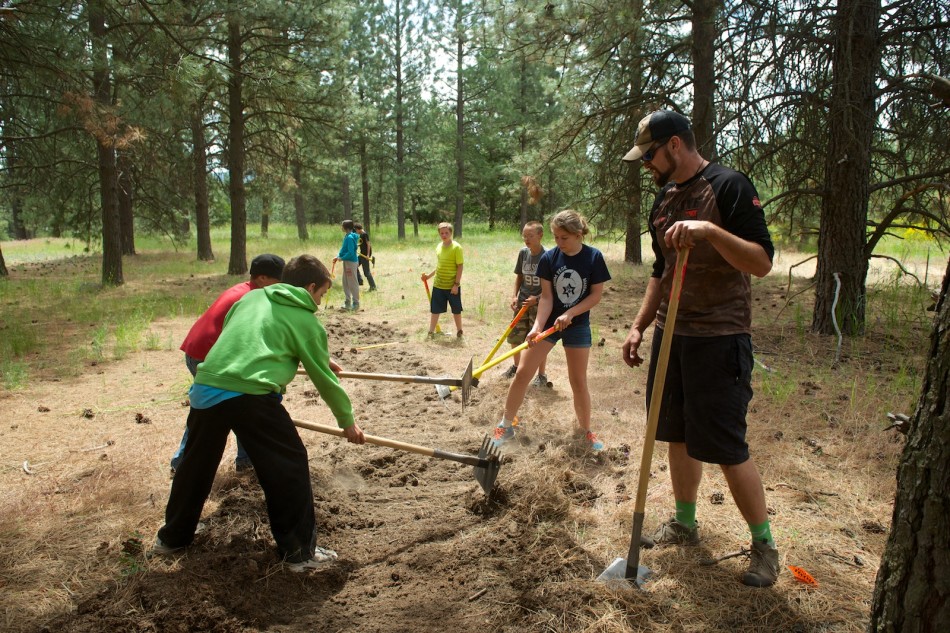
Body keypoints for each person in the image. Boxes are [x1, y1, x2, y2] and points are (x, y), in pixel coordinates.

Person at [619, 110, 778, 587]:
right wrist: (639, 326)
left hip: (720, 335)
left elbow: (762, 261)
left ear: (673, 146)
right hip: (673, 333)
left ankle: (764, 544)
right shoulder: (665, 200)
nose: (646, 165)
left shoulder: (728, 186)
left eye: (649, 155)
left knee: (727, 446)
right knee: (675, 433)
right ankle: (685, 524)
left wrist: (709, 232)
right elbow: (659, 273)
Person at [151, 254, 366, 572]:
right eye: (320, 294)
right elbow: (325, 381)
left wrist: (311, 355)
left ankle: (172, 539)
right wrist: (347, 422)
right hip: (250, 395)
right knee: (288, 466)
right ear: (309, 288)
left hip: (207, 387)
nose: (320, 302)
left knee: (195, 467)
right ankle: (300, 554)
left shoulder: (250, 299)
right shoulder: (305, 319)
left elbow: (245, 338)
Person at [492, 210, 610, 452]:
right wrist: (536, 328)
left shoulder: (593, 257)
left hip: (577, 326)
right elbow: (546, 298)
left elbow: (596, 295)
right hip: (549, 325)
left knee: (578, 381)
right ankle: (506, 425)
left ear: (578, 234)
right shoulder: (549, 258)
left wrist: (570, 313)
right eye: (555, 237)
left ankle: (585, 432)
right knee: (523, 372)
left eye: (563, 238)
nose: (558, 243)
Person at [171, 253, 286, 474]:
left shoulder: (242, 289)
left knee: (211, 408)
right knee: (240, 406)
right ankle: (240, 462)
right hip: (208, 354)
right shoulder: (252, 299)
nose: (281, 286)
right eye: (278, 281)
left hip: (198, 351)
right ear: (262, 278)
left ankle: (185, 461)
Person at [501, 221, 550, 388]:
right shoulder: (523, 253)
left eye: (530, 236)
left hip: (539, 305)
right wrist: (514, 296)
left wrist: (536, 299)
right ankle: (516, 367)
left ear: (540, 235)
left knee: (538, 341)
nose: (526, 239)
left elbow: (553, 287)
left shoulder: (548, 256)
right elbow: (519, 277)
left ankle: (541, 375)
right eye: (524, 236)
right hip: (522, 302)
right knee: (515, 336)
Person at [422, 222, 464, 338]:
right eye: (442, 233)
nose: (444, 235)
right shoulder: (439, 247)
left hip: (452, 286)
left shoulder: (457, 248)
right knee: (435, 309)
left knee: (456, 310)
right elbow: (439, 266)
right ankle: (431, 332)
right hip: (439, 284)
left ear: (451, 233)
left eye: (446, 233)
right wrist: (428, 277)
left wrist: (456, 284)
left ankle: (460, 331)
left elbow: (460, 266)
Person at [333, 219, 360, 311]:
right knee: (345, 282)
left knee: (352, 282)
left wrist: (341, 258)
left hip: (351, 262)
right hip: (346, 261)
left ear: (346, 227)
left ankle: (356, 303)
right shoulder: (347, 236)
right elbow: (343, 249)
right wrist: (338, 256)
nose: (341, 227)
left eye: (342, 226)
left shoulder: (350, 238)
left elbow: (351, 253)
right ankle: (347, 302)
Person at [354, 222, 377, 291]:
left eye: (356, 230)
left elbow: (368, 244)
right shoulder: (361, 235)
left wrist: (367, 255)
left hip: (365, 256)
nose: (356, 232)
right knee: (354, 265)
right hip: (361, 254)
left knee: (366, 272)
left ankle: (373, 286)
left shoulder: (364, 234)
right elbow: (361, 244)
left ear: (358, 229)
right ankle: (360, 281)